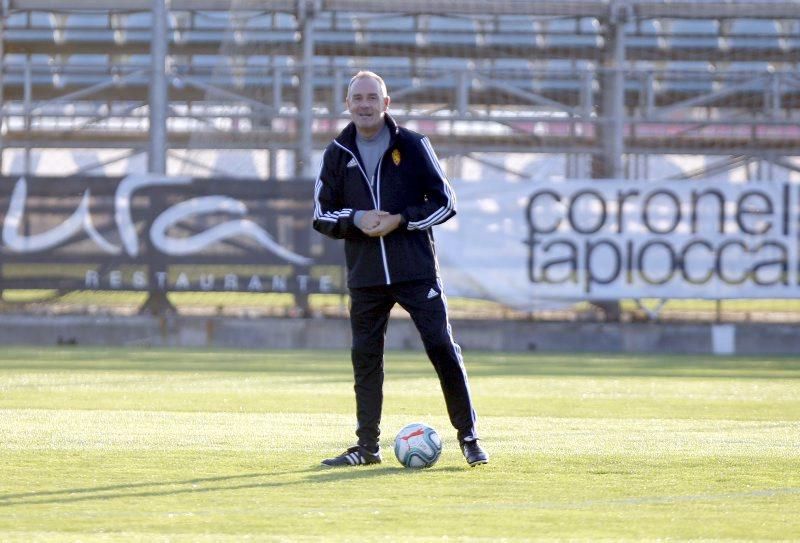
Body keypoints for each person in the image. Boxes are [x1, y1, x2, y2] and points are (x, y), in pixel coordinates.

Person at [312, 70, 488, 467]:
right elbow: (322, 215)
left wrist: (401, 220)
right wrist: (356, 218)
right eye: (357, 98)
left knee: (442, 348)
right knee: (366, 359)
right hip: (366, 276)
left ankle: (469, 437)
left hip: (416, 272)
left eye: (372, 97)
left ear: (386, 103)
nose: (364, 105)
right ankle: (366, 447)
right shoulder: (336, 153)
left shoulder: (412, 145)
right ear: (347, 104)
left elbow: (445, 202)